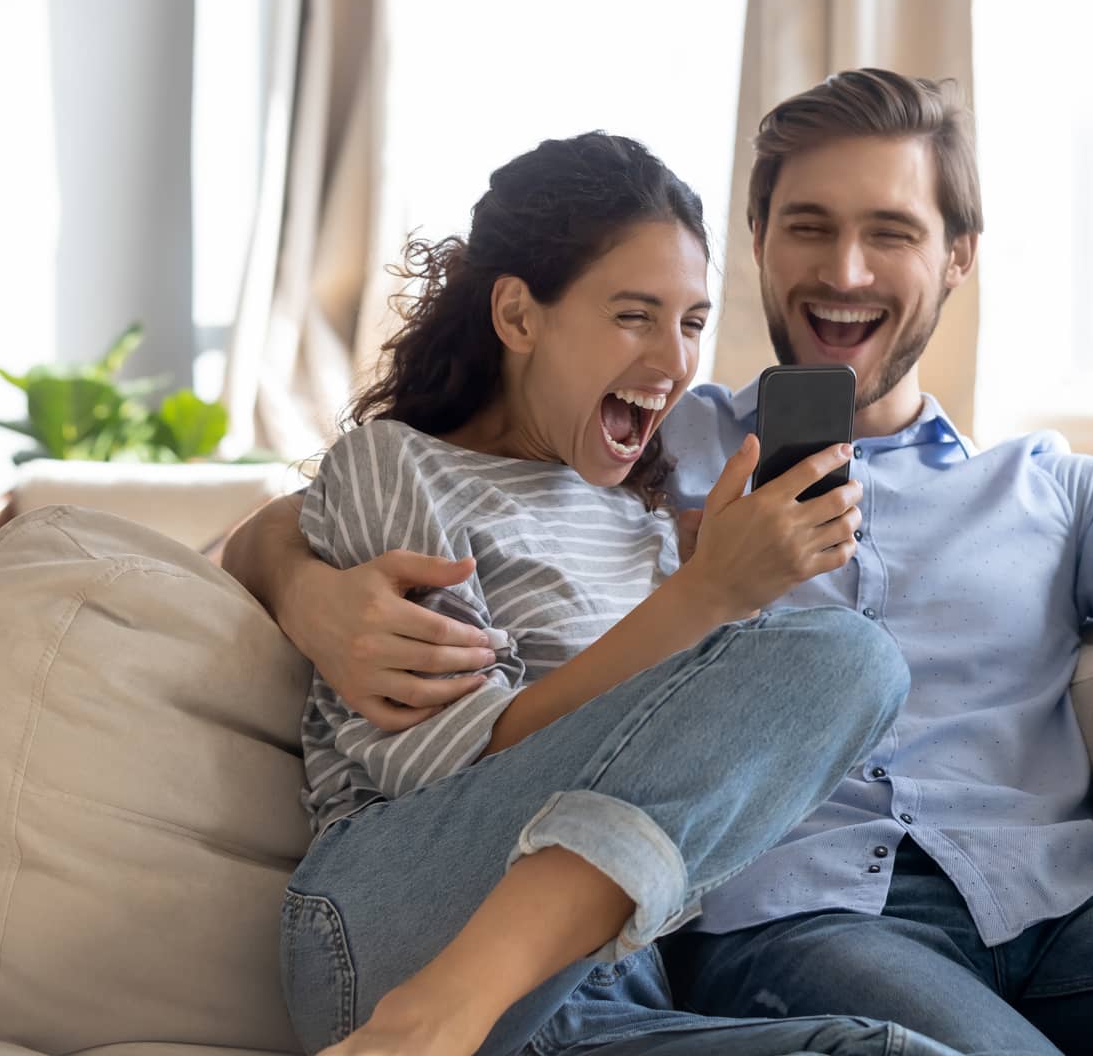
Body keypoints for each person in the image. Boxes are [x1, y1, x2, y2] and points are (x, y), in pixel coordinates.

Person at [228, 72, 1093, 1054]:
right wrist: (308, 585)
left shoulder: (1044, 488)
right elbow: (385, 484)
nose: (843, 271)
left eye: (890, 233)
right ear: (758, 246)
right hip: (803, 928)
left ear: (958, 258)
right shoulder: (656, 444)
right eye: (807, 228)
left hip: (1055, 918)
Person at [269, 130, 964, 1056]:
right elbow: (437, 765)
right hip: (392, 928)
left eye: (690, 322)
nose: (675, 360)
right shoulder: (400, 469)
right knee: (851, 657)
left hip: (602, 989)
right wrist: (704, 600)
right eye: (634, 315)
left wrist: (708, 592)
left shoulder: (648, 524)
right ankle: (429, 1019)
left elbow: (671, 799)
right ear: (518, 316)